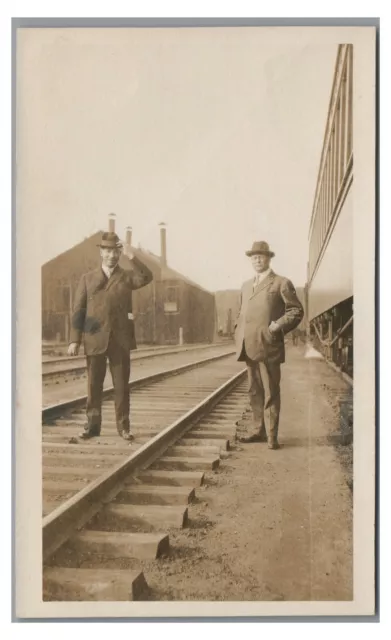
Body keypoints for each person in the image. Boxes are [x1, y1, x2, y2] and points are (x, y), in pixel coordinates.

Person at [67, 231, 153, 440]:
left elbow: (147, 276)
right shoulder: (87, 279)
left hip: (120, 341)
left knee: (122, 386)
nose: (111, 256)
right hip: (94, 339)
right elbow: (78, 310)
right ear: (101, 253)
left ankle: (124, 428)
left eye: (115, 252)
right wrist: (74, 340)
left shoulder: (127, 276)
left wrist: (132, 256)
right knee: (94, 386)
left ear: (119, 253)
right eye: (107, 251)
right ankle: (92, 427)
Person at [234, 241, 303, 449]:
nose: (257, 260)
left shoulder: (281, 283)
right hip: (249, 345)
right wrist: (238, 331)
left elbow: (296, 311)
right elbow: (242, 312)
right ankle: (258, 431)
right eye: (253, 257)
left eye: (261, 256)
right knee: (254, 390)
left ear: (269, 258)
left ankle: (272, 436)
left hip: (269, 345)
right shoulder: (246, 285)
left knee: (271, 391)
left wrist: (277, 326)